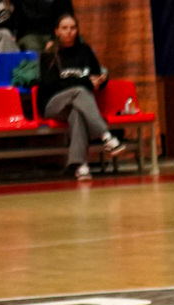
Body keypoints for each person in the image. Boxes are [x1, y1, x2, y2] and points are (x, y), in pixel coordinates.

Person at [39, 13, 128, 181]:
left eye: (73, 28)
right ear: (57, 31)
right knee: (79, 91)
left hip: (77, 103)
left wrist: (101, 81)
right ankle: (106, 136)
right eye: (64, 28)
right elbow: (52, 85)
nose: (69, 32)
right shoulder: (49, 54)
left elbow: (96, 77)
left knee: (77, 113)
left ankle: (81, 166)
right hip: (52, 103)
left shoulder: (85, 50)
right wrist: (85, 82)